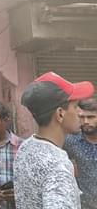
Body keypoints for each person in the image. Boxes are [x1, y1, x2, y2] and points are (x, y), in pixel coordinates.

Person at [13, 71, 94, 209]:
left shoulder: (25, 147)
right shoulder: (57, 165)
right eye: (75, 107)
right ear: (60, 114)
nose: (80, 113)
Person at [64, 98, 97, 209]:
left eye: (91, 117)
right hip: (83, 205)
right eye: (82, 117)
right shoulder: (70, 141)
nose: (86, 121)